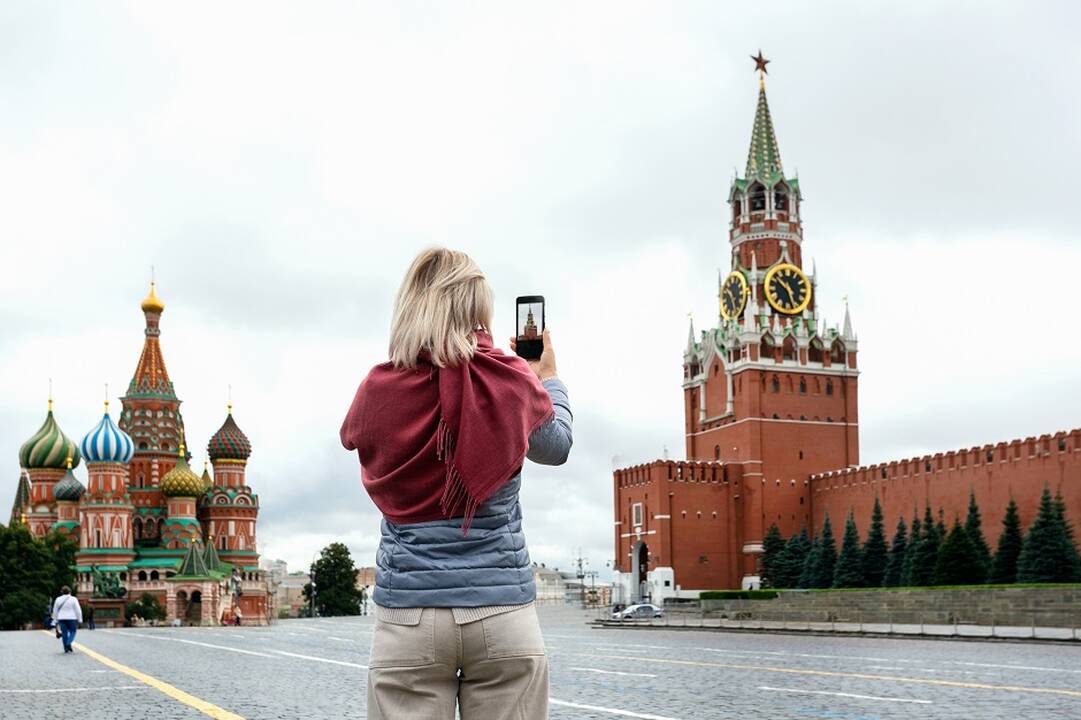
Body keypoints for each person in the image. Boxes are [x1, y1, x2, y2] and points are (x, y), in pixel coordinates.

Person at [341, 248, 573, 720]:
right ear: (477, 308)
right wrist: (546, 377)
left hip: (408, 615)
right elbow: (557, 446)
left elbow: (354, 437)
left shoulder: (377, 389)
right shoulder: (509, 380)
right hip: (502, 614)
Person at [52, 586, 82, 654]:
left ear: (62, 592)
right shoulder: (74, 599)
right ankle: (68, 643)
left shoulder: (58, 599)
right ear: (70, 592)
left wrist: (55, 621)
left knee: (64, 633)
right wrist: (80, 619)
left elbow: (55, 611)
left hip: (61, 618)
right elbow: (78, 610)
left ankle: (66, 648)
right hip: (72, 618)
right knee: (73, 631)